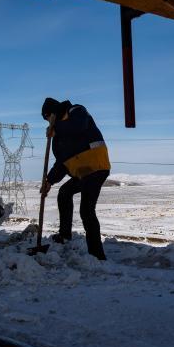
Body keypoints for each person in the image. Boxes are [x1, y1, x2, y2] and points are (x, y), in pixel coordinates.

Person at [40, 97, 111, 260]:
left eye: (48, 118)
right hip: (82, 173)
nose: (48, 122)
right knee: (64, 192)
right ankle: (64, 235)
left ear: (53, 114)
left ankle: (97, 255)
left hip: (96, 167)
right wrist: (49, 181)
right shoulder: (59, 137)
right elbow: (62, 162)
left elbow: (78, 126)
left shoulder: (76, 111)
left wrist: (56, 128)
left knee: (86, 210)